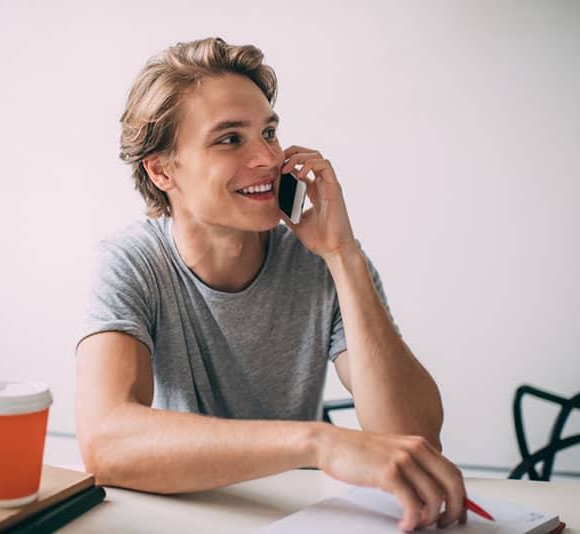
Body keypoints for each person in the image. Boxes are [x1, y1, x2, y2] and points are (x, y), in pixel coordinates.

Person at [75, 37, 466, 531]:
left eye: (269, 132)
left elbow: (413, 437)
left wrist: (343, 256)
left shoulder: (321, 261)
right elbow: (106, 441)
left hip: (297, 516)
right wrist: (318, 442)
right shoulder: (132, 262)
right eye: (229, 139)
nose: (267, 157)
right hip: (184, 514)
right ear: (161, 170)